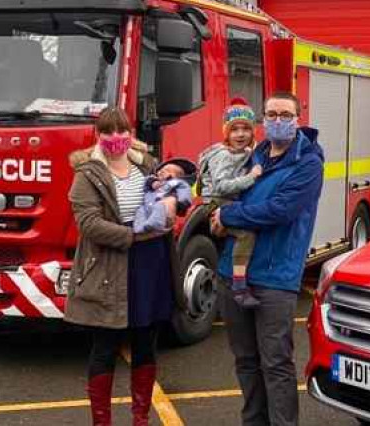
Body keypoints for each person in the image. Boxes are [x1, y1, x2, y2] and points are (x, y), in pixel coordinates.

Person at [210, 91, 324, 426]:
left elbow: (280, 210)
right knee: (246, 361)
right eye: (271, 114)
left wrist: (229, 215)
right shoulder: (255, 154)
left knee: (276, 364)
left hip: (275, 279)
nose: (277, 120)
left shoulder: (308, 163)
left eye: (284, 115)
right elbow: (220, 179)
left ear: (297, 119)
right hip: (233, 273)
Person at [65, 107, 183, 426]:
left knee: (146, 344)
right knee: (105, 347)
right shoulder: (87, 174)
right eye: (109, 131)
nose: (116, 138)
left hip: (151, 266)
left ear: (131, 133)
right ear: (98, 136)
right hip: (111, 267)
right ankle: (101, 422)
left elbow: (169, 196)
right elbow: (89, 224)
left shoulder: (146, 164)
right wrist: (134, 234)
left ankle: (140, 419)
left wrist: (172, 203)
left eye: (122, 131)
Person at [197, 97, 263, 308]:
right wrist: (252, 176)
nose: (241, 134)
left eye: (246, 129)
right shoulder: (224, 155)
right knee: (247, 234)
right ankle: (239, 286)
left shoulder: (242, 153)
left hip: (225, 202)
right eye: (235, 130)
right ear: (226, 132)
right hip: (216, 203)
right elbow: (221, 186)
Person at [132, 158, 197, 234]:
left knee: (159, 208)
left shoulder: (176, 182)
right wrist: (152, 182)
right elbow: (145, 181)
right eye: (161, 170)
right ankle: (138, 228)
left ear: (176, 176)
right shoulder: (154, 181)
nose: (162, 171)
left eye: (167, 170)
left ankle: (154, 224)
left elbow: (184, 190)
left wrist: (182, 201)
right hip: (146, 205)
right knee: (140, 211)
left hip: (161, 203)